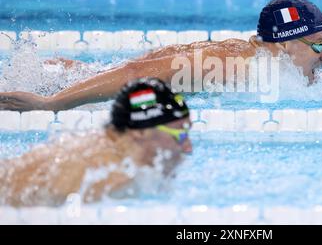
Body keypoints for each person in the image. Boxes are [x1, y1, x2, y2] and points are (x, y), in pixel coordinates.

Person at [0, 0, 322, 111]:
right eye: (319, 45)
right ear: (285, 45)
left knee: (81, 73)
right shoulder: (238, 65)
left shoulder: (259, 58)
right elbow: (136, 76)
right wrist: (52, 104)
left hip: (90, 75)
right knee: (60, 85)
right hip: (103, 89)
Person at [0, 77, 192, 207]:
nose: (188, 148)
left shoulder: (103, 146)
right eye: (181, 135)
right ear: (140, 132)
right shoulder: (109, 178)